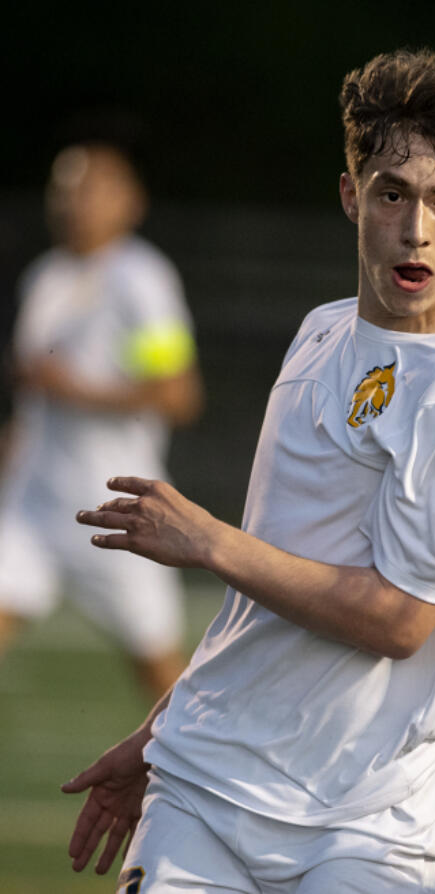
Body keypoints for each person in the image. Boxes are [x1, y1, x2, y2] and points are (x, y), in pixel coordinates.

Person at [61, 48, 435, 893]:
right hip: (204, 787)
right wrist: (156, 736)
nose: (416, 230)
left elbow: (399, 621)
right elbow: (261, 598)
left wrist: (208, 541)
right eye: (393, 194)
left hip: (365, 824)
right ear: (351, 195)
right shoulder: (320, 332)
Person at [0, 136, 204, 699]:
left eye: (90, 188)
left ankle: (232, 778)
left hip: (113, 509)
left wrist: (78, 391)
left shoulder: (140, 281)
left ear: (129, 201)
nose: (73, 201)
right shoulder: (46, 278)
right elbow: (34, 401)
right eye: (63, 189)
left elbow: (176, 392)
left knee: (162, 677)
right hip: (32, 505)